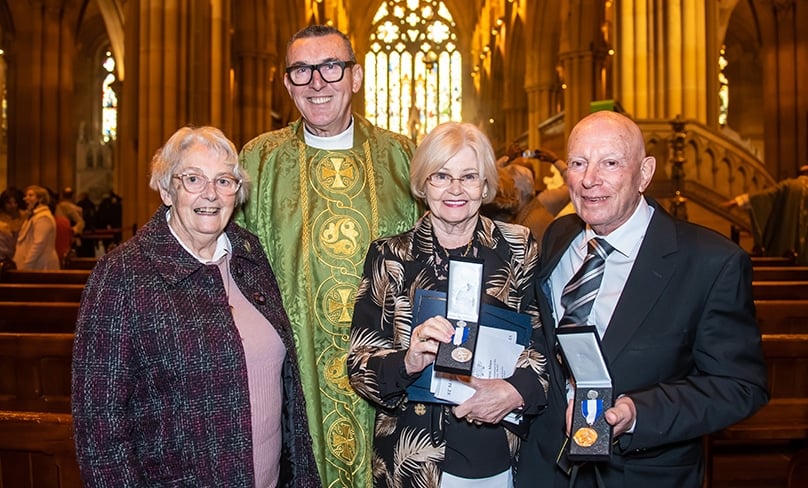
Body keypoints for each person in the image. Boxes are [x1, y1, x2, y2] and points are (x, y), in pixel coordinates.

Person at [516, 111, 769, 487]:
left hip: (639, 471)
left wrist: (637, 413)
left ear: (645, 173)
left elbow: (739, 385)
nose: (589, 180)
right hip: (544, 466)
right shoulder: (559, 235)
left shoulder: (711, 262)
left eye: (611, 163)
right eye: (579, 163)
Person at [71, 126, 321, 487]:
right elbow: (99, 427)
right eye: (193, 179)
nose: (211, 194)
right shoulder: (123, 274)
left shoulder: (248, 254)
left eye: (224, 180)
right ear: (166, 189)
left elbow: (286, 394)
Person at [236, 24, 421, 487]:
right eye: (301, 70)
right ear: (286, 83)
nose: (316, 82)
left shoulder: (402, 157)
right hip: (295, 373)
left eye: (330, 67)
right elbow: (232, 266)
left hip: (392, 371)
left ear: (355, 77)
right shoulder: (260, 159)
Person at [347, 122, 549, 487]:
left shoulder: (519, 248)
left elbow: (544, 345)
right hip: (412, 461)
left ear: (486, 185)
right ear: (423, 184)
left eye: (469, 176)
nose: (455, 189)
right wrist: (407, 361)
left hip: (497, 454)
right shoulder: (391, 256)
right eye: (441, 175)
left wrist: (517, 389)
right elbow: (360, 365)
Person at [723, 164, 808, 264]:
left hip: (789, 246)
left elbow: (764, 197)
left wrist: (736, 201)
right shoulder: (790, 186)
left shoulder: (790, 186)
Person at [13, 185, 60, 270]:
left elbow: (39, 244)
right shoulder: (35, 215)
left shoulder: (43, 217)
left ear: (40, 199)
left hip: (40, 265)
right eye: (26, 195)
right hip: (35, 263)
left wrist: (27, 264)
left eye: (30, 195)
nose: (25, 198)